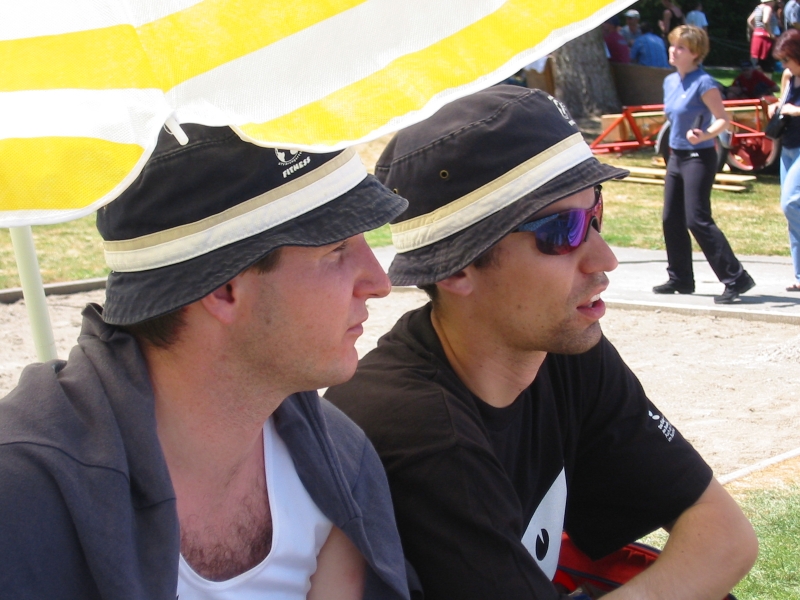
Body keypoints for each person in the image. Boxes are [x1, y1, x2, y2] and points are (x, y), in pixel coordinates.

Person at [326, 86, 758, 600]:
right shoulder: (421, 432)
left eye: (595, 214)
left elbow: (725, 537)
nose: (605, 258)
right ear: (457, 267)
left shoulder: (561, 351)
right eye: (562, 231)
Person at [0, 125, 413, 599]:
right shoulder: (23, 501)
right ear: (223, 288)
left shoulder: (340, 463)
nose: (379, 282)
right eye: (337, 249)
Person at [655, 26, 757, 303]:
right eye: (673, 45)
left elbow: (723, 119)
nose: (673, 51)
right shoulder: (670, 81)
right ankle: (680, 278)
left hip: (698, 157)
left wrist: (705, 135)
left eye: (681, 48)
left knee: (697, 219)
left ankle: (736, 277)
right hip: (676, 155)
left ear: (695, 54)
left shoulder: (704, 83)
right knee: (670, 218)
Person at [771, 29, 800, 290]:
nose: (783, 65)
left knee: (791, 202)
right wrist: (778, 107)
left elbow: (793, 108)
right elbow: (784, 102)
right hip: (789, 145)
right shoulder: (789, 77)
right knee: (792, 213)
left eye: (786, 59)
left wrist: (796, 110)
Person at [749, 0, 779, 71]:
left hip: (757, 36)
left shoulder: (758, 7)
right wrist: (770, 34)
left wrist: (756, 30)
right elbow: (765, 21)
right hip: (766, 38)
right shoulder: (768, 8)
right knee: (767, 64)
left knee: (758, 63)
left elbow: (750, 20)